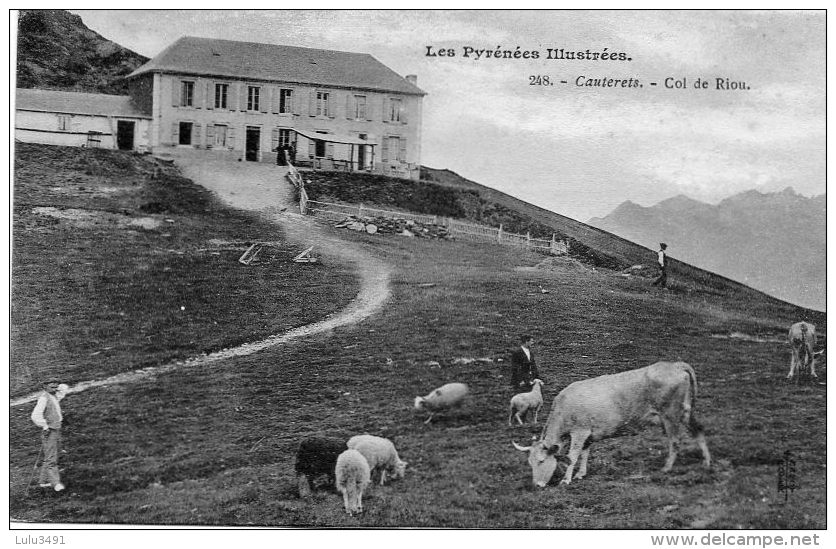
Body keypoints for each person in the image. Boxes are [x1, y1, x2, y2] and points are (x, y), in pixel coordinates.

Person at [31, 380, 68, 492]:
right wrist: (45, 426)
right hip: (50, 430)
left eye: (56, 387)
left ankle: (44, 481)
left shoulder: (53, 396)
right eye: (52, 387)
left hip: (56, 429)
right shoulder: (44, 399)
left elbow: (63, 389)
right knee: (51, 458)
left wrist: (58, 387)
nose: (55, 389)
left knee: (51, 455)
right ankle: (55, 483)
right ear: (44, 387)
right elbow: (35, 416)